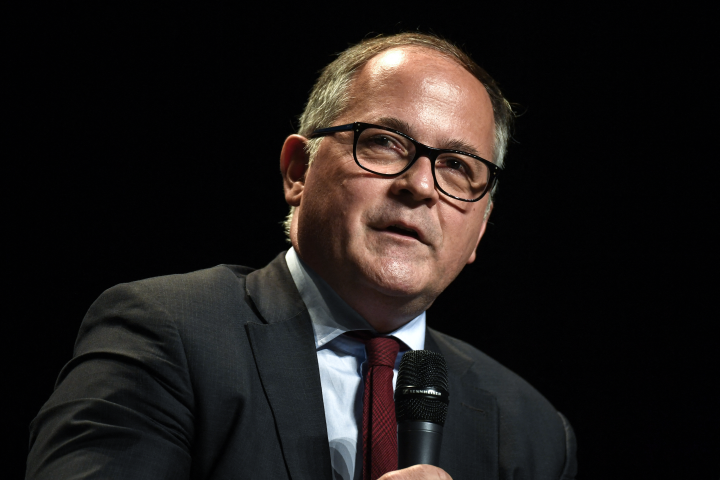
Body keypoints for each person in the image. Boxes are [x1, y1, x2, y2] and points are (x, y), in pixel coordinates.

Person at [26, 33, 577, 480]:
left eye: (458, 167)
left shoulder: (531, 431)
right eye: (384, 141)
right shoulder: (165, 334)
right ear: (298, 172)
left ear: (480, 227)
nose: (421, 187)